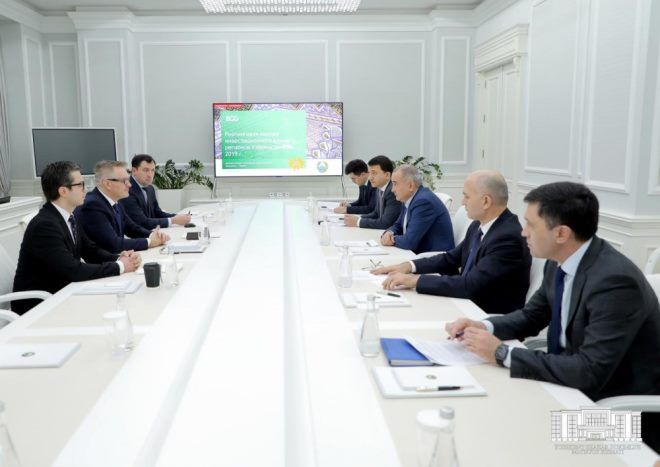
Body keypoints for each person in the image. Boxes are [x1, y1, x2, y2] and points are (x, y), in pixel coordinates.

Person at [445, 182, 660, 451]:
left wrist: (501, 353)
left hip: (622, 418)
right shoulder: (560, 260)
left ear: (561, 233)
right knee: (483, 414)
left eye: (531, 225)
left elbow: (589, 371)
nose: (523, 232)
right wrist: (483, 326)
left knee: (507, 435)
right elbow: (530, 317)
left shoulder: (614, 281)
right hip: (569, 390)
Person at [373, 170, 530, 315]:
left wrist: (414, 280)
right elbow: (451, 258)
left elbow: (471, 285)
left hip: (484, 316)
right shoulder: (479, 224)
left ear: (486, 201)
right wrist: (409, 266)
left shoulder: (507, 237)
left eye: (466, 196)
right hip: (465, 304)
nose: (462, 202)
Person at [12, 161, 141, 314]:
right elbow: (73, 270)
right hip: (39, 307)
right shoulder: (45, 225)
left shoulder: (69, 216)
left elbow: (90, 251)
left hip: (63, 294)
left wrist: (119, 258)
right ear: (63, 191)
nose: (86, 189)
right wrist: (120, 267)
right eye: (80, 185)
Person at [75, 160, 170, 253]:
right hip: (104, 261)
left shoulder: (115, 200)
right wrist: (149, 242)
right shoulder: (93, 205)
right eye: (124, 181)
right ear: (108, 184)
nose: (129, 185)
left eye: (128, 180)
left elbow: (131, 228)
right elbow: (114, 244)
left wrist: (153, 235)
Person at [380, 164, 454, 254]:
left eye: (395, 184)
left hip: (433, 258)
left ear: (410, 186)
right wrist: (389, 232)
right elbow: (398, 225)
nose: (392, 189)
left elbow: (409, 242)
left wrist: (391, 239)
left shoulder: (423, 202)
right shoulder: (408, 198)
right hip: (418, 253)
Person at [119, 154, 192, 229]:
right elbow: (142, 222)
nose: (150, 175)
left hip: (151, 231)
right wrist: (173, 220)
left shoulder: (150, 188)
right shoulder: (126, 190)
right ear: (134, 171)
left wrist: (178, 217)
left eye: (152, 170)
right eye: (146, 170)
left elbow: (157, 213)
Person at [344, 155, 402, 229]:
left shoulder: (393, 191)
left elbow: (386, 223)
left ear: (387, 175)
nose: (370, 178)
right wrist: (358, 218)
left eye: (374, 173)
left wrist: (358, 222)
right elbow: (376, 213)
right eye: (370, 173)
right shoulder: (379, 188)